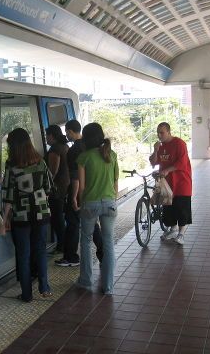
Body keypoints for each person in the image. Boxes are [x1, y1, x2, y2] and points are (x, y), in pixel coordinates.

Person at [1, 128, 52, 302]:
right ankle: (44, 288)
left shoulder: (12, 165)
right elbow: (49, 187)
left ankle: (26, 294)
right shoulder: (40, 161)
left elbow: (8, 195)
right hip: (41, 213)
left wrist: (5, 218)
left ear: (13, 146)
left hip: (21, 216)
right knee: (40, 251)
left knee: (23, 254)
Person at [76, 123, 118, 295]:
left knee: (85, 241)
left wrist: (80, 204)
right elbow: (115, 184)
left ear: (86, 138)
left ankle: (86, 281)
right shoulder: (112, 154)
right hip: (109, 203)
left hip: (90, 204)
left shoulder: (84, 157)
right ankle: (108, 286)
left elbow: (82, 187)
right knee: (108, 242)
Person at [55, 120, 103, 267]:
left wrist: (74, 197)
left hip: (79, 192)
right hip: (93, 191)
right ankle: (103, 254)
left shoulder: (75, 150)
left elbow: (75, 177)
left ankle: (71, 257)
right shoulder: (93, 148)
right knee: (91, 224)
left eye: (67, 132)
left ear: (69, 131)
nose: (66, 135)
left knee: (73, 224)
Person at [149, 122, 192, 245]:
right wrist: (155, 150)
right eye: (158, 132)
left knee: (182, 207)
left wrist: (167, 170)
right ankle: (173, 230)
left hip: (182, 181)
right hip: (167, 183)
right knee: (168, 207)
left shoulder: (179, 143)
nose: (159, 135)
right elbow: (153, 162)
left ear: (169, 131)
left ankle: (181, 233)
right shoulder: (160, 146)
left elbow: (182, 163)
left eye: (162, 132)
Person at [45, 125, 70, 253]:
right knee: (61, 217)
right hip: (65, 186)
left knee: (57, 217)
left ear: (52, 136)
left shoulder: (55, 149)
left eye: (46, 135)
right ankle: (63, 244)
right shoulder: (65, 146)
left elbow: (52, 171)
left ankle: (61, 245)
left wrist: (46, 187)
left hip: (57, 189)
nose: (46, 138)